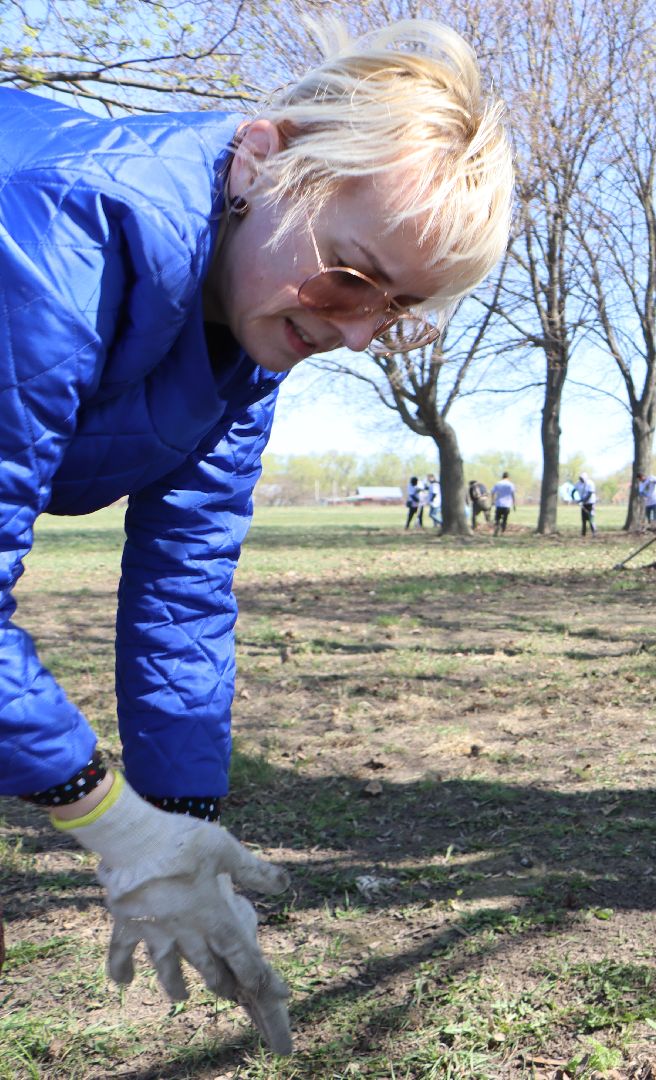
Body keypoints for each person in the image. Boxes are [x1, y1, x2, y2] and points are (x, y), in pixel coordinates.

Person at [0, 19, 514, 1054]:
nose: (357, 333)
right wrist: (109, 821)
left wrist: (183, 823)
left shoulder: (252, 336)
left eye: (399, 312)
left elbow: (184, 585)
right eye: (351, 279)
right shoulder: (65, 231)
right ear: (263, 158)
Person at [490, 470, 517, 536]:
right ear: (508, 477)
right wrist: (514, 503)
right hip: (507, 504)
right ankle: (502, 531)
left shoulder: (498, 483)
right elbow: (513, 494)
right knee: (505, 519)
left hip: (499, 503)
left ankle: (496, 528)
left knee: (497, 518)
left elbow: (492, 492)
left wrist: (492, 501)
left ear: (502, 476)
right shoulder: (511, 484)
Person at [571, 472, 597, 536]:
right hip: (583, 504)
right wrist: (574, 498)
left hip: (590, 503)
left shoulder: (590, 483)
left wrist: (582, 500)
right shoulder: (578, 484)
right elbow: (573, 491)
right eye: (580, 478)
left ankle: (594, 532)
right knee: (584, 519)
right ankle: (583, 533)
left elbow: (589, 494)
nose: (581, 480)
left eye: (582, 478)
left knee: (591, 518)